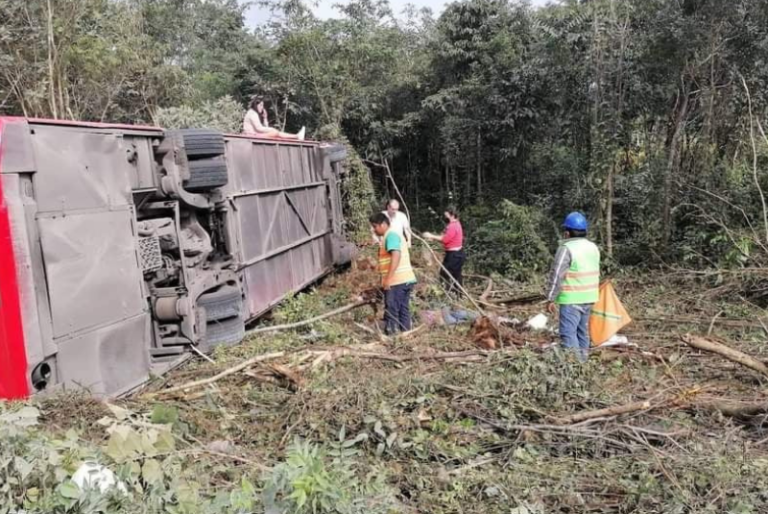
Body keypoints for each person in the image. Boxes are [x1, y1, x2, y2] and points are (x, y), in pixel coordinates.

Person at [545, 212, 601, 362]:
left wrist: (550, 298)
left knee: (568, 334)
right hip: (589, 297)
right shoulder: (593, 247)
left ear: (567, 232)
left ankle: (576, 367)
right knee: (582, 333)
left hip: (572, 299)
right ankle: (584, 362)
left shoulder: (566, 248)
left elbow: (557, 274)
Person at [370, 212, 417, 335]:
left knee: (392, 309)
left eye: (375, 226)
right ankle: (406, 335)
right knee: (403, 309)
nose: (374, 230)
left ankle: (393, 337)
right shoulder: (392, 235)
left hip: (397, 281)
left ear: (383, 224)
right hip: (404, 279)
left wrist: (388, 279)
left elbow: (396, 255)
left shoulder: (390, 235)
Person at [424, 207, 465, 294]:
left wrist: (431, 236)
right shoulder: (453, 224)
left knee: (446, 274)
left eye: (446, 216)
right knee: (455, 275)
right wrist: (434, 238)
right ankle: (456, 294)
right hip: (455, 254)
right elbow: (444, 236)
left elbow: (445, 239)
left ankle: (449, 294)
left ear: (452, 215)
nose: (445, 217)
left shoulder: (453, 226)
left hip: (455, 255)